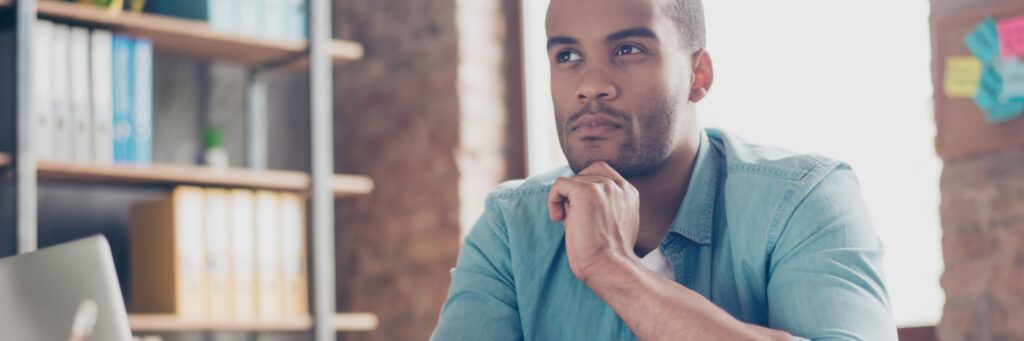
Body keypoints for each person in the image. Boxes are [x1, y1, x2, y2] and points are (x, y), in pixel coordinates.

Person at [431, 0, 897, 339]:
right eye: (567, 56)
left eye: (629, 49)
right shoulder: (512, 228)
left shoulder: (804, 199)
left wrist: (611, 268)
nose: (591, 85)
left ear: (698, 77)